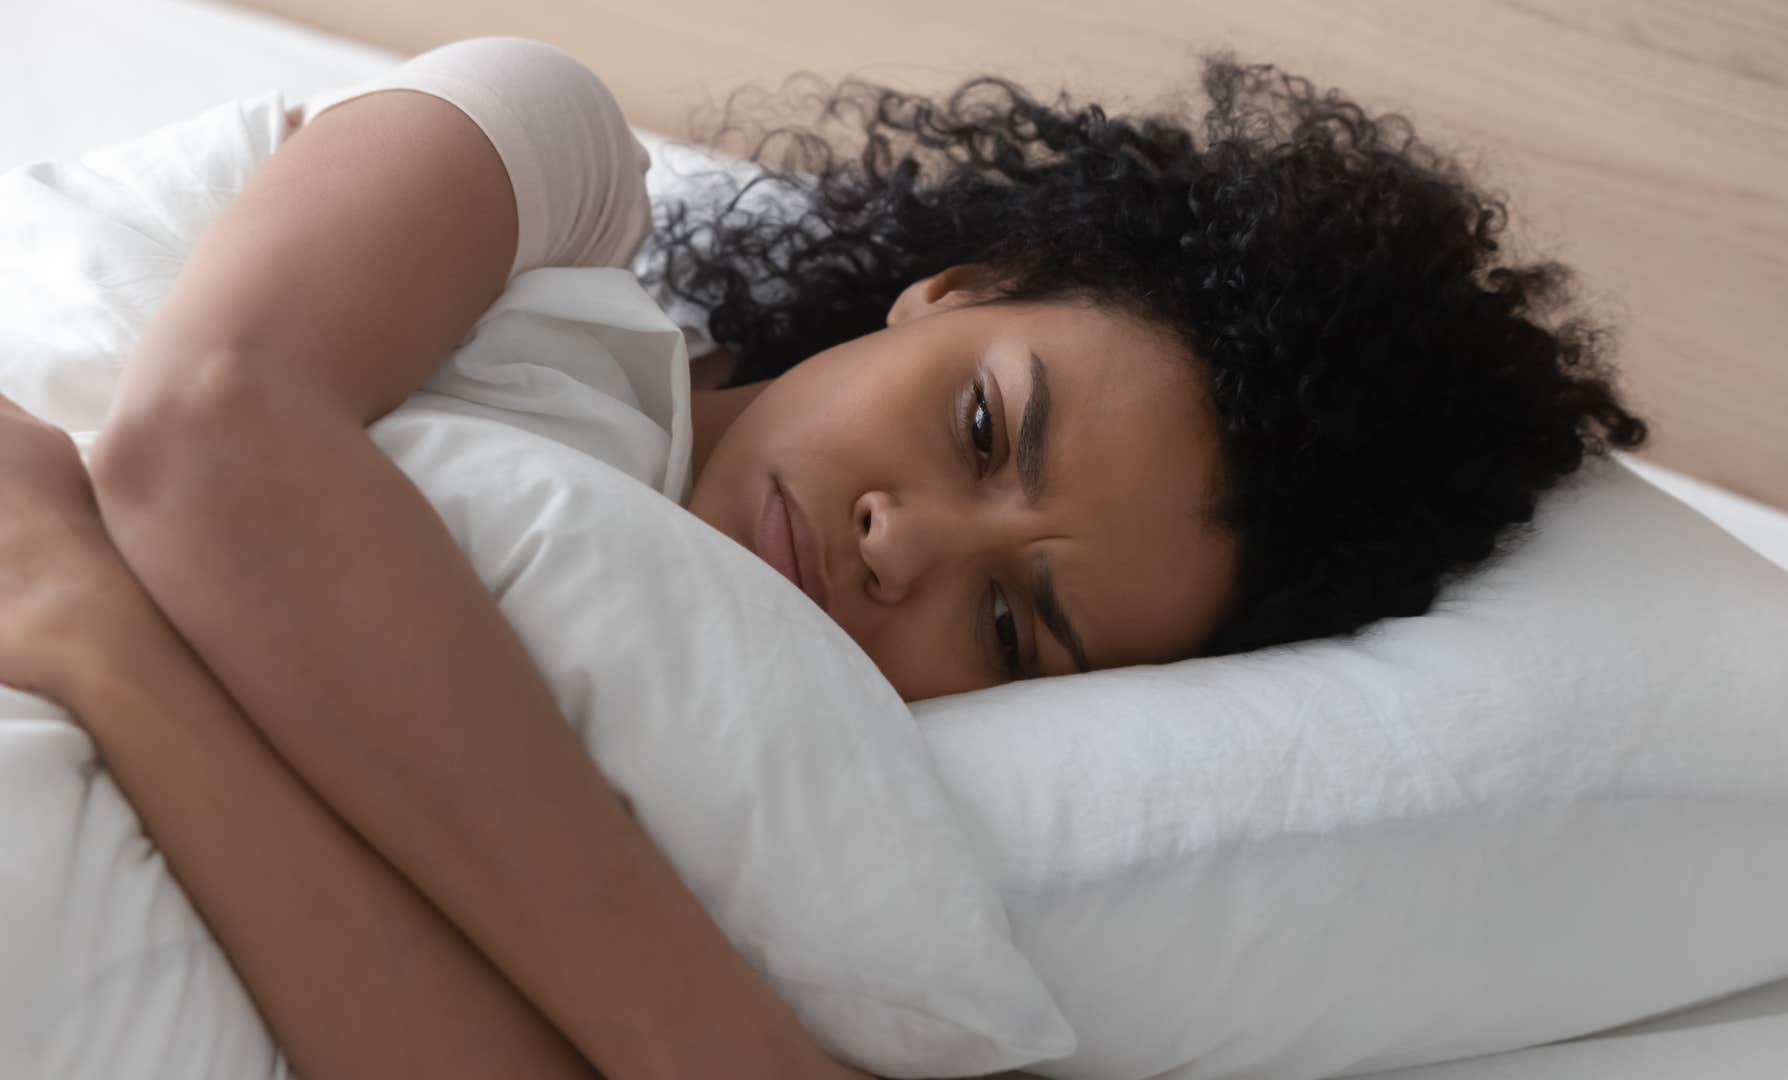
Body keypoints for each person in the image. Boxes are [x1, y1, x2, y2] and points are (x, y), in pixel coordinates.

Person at [0, 34, 1646, 1080]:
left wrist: (97, 634)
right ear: (960, 284)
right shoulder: (547, 178)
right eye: (987, 429)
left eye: (1014, 626)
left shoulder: (739, 785)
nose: (904, 543)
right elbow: (209, 431)